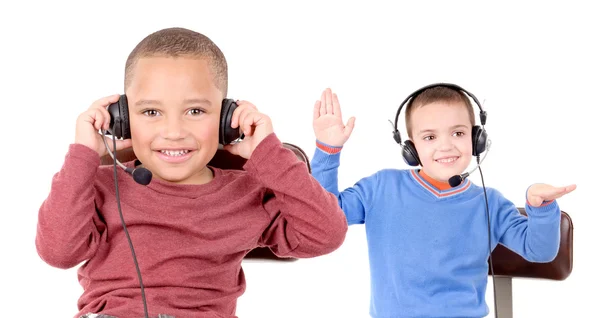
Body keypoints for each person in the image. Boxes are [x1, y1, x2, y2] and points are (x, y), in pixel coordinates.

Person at [35, 27, 348, 318]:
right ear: (122, 119)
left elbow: (326, 235)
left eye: (195, 111)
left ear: (228, 119)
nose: (173, 132)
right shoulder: (101, 186)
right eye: (151, 112)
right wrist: (84, 156)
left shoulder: (249, 192)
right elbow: (57, 252)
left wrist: (268, 154)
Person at [309, 85, 576, 317]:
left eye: (458, 133)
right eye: (430, 137)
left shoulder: (491, 203)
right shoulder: (381, 187)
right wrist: (327, 151)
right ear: (411, 149)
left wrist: (541, 209)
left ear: (476, 139)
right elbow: (325, 218)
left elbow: (540, 251)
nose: (446, 146)